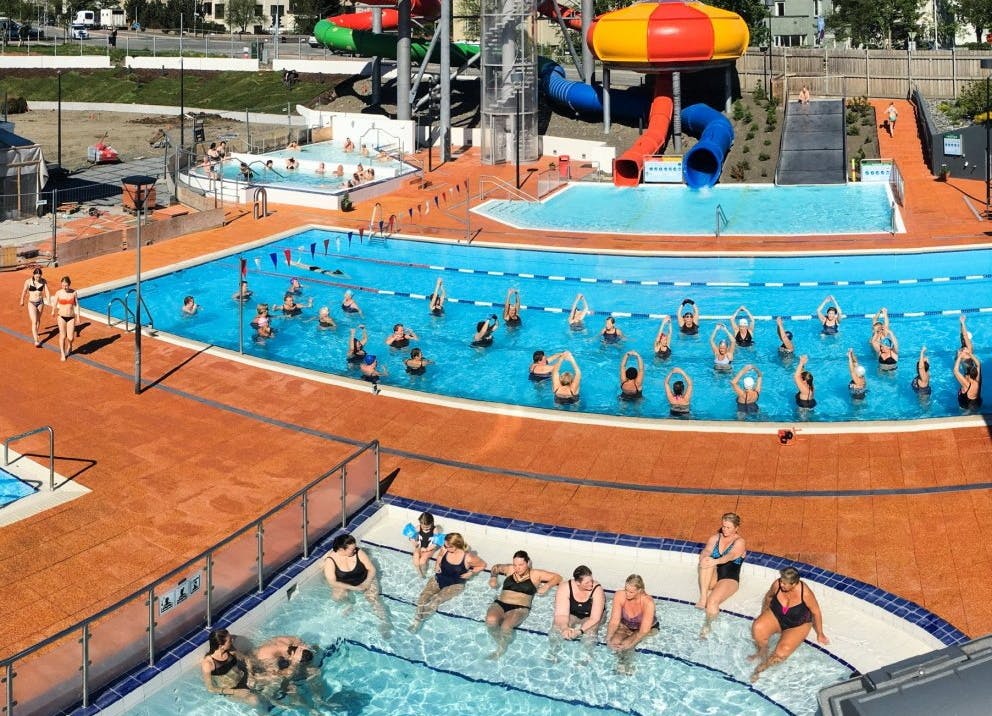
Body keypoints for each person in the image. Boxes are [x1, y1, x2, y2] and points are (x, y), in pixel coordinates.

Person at [749, 567, 829, 681]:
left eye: (785, 584)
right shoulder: (777, 584)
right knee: (758, 627)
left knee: (782, 651)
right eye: (781, 581)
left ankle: (762, 667)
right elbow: (768, 597)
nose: (781, 584)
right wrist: (764, 613)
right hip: (777, 616)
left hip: (797, 624)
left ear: (794, 584)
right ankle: (761, 653)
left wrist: (820, 633)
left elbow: (816, 612)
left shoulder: (805, 593)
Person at [485, 550, 562, 659]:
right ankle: (501, 641)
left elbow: (557, 577)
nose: (517, 568)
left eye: (521, 565)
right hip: (500, 604)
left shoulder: (535, 574)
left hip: (519, 608)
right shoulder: (510, 569)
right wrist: (493, 577)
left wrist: (547, 586)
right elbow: (496, 567)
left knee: (506, 627)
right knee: (490, 621)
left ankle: (501, 649)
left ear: (528, 563)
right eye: (515, 565)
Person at [409, 532, 486, 632]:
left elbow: (482, 565)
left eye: (447, 546)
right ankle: (417, 620)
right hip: (439, 578)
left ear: (456, 546)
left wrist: (471, 572)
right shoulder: (445, 549)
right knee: (422, 598)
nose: (444, 547)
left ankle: (419, 620)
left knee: (436, 600)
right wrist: (437, 565)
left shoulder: (468, 557)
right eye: (444, 545)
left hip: (456, 584)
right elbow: (440, 557)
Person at [322, 533, 389, 631]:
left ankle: (385, 622)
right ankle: (350, 605)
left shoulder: (358, 552)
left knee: (373, 598)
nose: (355, 549)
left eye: (355, 547)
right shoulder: (331, 560)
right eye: (352, 549)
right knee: (337, 598)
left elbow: (372, 569)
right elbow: (332, 582)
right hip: (345, 583)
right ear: (341, 549)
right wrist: (353, 588)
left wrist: (367, 582)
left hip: (364, 578)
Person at [696, 513, 746, 638]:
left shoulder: (739, 542)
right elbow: (706, 551)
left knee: (712, 602)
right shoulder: (715, 538)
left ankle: (707, 627)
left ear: (736, 528)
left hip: (729, 579)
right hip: (714, 578)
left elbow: (731, 556)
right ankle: (703, 598)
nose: (725, 530)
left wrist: (715, 561)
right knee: (706, 561)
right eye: (723, 526)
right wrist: (705, 558)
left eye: (728, 527)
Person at [606, 574, 658, 674]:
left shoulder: (648, 602)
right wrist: (608, 639)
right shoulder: (619, 595)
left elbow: (644, 630)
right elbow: (614, 621)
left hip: (644, 628)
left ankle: (626, 665)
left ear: (640, 590)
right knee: (615, 641)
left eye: (631, 592)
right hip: (625, 625)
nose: (627, 594)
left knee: (627, 644)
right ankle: (620, 663)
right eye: (626, 590)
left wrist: (631, 643)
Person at [200, 629, 261, 707]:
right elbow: (210, 688)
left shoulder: (230, 651)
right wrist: (235, 692)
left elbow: (246, 659)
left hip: (244, 679)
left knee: (272, 678)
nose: (232, 640)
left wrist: (250, 673)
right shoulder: (208, 663)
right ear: (221, 646)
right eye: (229, 640)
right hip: (231, 689)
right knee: (254, 700)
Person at [550, 565, 605, 649]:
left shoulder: (597, 589)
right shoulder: (565, 587)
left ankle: (584, 659)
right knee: (556, 630)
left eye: (591, 580)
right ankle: (553, 653)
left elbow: (595, 618)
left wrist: (580, 631)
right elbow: (561, 615)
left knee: (590, 636)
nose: (591, 584)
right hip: (572, 613)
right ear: (577, 583)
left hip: (590, 616)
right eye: (587, 583)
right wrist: (565, 628)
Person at [19, 267, 50, 347]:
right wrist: (22, 300)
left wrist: (49, 299)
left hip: (40, 302)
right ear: (34, 275)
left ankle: (36, 332)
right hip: (31, 303)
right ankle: (36, 340)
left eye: (39, 276)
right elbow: (24, 291)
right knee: (34, 321)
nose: (38, 278)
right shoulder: (28, 282)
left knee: (38, 320)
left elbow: (46, 291)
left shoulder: (43, 281)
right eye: (36, 276)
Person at [51, 275, 80, 361]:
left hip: (71, 317)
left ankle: (70, 345)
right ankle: (63, 354)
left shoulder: (74, 293)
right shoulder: (58, 293)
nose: (64, 287)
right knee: (63, 336)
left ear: (69, 284)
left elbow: (77, 305)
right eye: (63, 285)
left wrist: (78, 316)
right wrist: (53, 311)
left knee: (70, 337)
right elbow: (55, 303)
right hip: (61, 317)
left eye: (66, 285)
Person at [408, 511, 439, 577]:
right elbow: (411, 537)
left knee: (422, 561)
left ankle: (424, 572)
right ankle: (419, 573)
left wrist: (427, 549)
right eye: (423, 526)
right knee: (416, 555)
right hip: (420, 546)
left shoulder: (434, 530)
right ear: (420, 523)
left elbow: (435, 543)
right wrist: (414, 542)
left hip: (430, 548)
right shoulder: (418, 527)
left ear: (432, 523)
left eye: (427, 527)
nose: (425, 528)